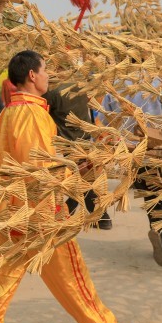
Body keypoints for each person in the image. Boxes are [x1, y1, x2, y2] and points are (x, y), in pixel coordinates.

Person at [0, 50, 139, 323]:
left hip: (11, 210)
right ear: (31, 76)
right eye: (44, 71)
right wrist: (76, 171)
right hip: (41, 213)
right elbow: (39, 168)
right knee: (73, 277)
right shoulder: (30, 114)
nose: (48, 76)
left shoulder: (9, 112)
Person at [102, 69, 162, 267]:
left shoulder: (114, 83)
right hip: (156, 146)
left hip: (130, 151)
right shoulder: (157, 80)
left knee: (151, 195)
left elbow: (105, 118)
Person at [43, 81, 112, 230]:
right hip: (84, 137)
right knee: (83, 176)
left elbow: (42, 114)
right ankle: (99, 216)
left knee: (80, 178)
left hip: (69, 141)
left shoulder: (53, 93)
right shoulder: (81, 86)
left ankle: (97, 216)